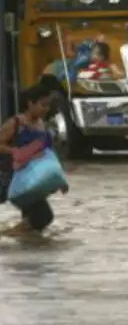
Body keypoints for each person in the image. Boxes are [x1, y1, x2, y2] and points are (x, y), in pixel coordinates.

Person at [0, 83, 68, 237]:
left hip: (30, 178)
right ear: (30, 103)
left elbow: (49, 155)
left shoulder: (42, 126)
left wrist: (60, 181)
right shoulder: (15, 123)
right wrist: (14, 151)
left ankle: (13, 237)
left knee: (42, 217)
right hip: (9, 175)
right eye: (42, 105)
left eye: (48, 105)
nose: (45, 109)